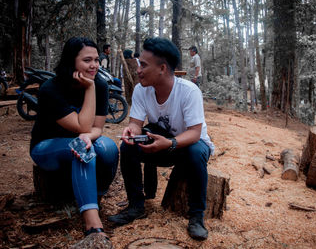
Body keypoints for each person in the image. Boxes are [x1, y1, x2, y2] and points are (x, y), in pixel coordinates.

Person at [108, 37, 214, 241]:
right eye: (139, 64)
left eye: (144, 65)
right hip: (161, 144)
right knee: (128, 146)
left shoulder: (189, 91)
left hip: (188, 147)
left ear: (162, 68)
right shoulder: (141, 89)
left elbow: (194, 133)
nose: (138, 70)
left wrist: (171, 143)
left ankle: (196, 216)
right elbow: (136, 122)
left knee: (196, 151)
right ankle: (136, 206)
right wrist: (131, 130)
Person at [30, 37, 119, 245]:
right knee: (81, 148)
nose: (94, 65)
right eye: (87, 60)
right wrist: (89, 89)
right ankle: (92, 224)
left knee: (109, 148)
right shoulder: (51, 89)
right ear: (72, 62)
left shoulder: (101, 85)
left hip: (81, 141)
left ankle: (95, 195)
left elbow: (95, 129)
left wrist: (88, 137)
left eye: (96, 60)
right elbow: (82, 127)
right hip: (46, 147)